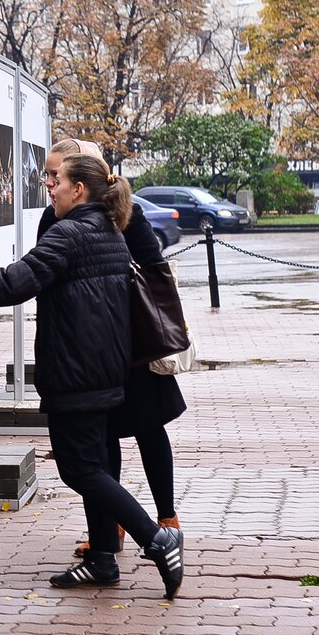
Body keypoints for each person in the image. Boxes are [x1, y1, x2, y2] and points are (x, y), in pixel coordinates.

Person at [0, 153, 184, 598]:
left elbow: (12, 283)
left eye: (56, 180)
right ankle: (102, 559)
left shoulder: (70, 234)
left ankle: (156, 540)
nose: (50, 187)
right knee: (95, 465)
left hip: (76, 374)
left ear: (78, 188)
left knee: (79, 470)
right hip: (104, 370)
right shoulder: (107, 231)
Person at [38, 138, 185, 559]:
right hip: (91, 346)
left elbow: (152, 267)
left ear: (80, 178)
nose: (50, 183)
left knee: (147, 427)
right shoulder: (54, 217)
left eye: (56, 174)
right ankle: (112, 529)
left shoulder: (125, 211)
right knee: (103, 441)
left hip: (132, 341)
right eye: (47, 175)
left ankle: (166, 519)